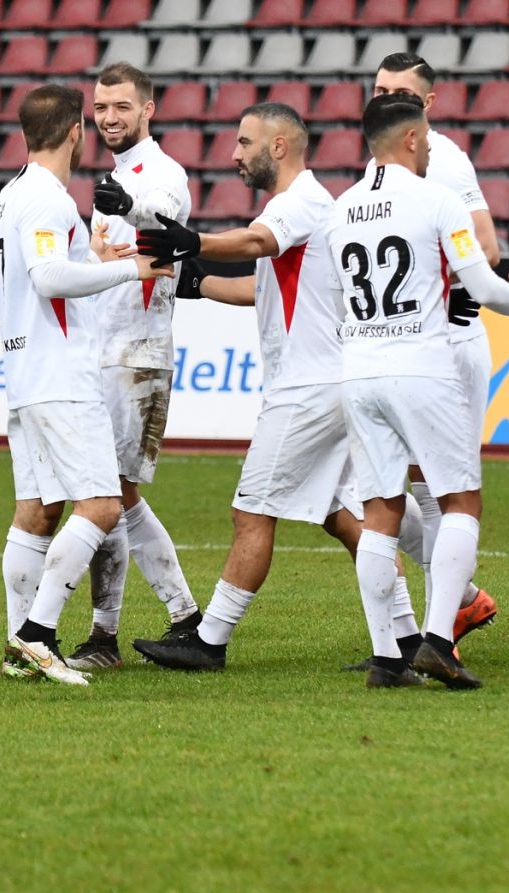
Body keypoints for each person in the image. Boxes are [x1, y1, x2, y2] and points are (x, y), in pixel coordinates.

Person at [131, 103, 421, 674]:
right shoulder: (302, 208)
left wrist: (192, 243)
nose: (234, 155)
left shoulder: (300, 204)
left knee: (251, 510)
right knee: (345, 516)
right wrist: (196, 282)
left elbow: (256, 244)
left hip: (308, 388)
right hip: (330, 381)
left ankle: (208, 639)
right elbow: (257, 290)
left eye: (244, 143)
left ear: (279, 146)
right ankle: (407, 640)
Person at [328, 93, 509, 688]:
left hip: (360, 368)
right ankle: (439, 642)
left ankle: (385, 660)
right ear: (409, 138)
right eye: (424, 138)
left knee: (378, 513)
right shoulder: (436, 199)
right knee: (460, 501)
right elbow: (480, 283)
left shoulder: (340, 209)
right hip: (421, 367)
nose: (428, 146)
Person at [0, 83, 171, 685]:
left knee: (36, 512)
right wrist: (130, 267)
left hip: (25, 373)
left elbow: (39, 272)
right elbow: (46, 279)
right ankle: (38, 634)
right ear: (75, 132)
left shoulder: (9, 196)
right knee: (100, 504)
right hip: (60, 376)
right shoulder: (47, 197)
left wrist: (89, 257)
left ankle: (19, 647)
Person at [64, 61, 202, 670]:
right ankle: (184, 616)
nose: (109, 117)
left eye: (121, 106)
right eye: (101, 107)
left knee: (110, 494)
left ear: (149, 109)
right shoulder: (111, 179)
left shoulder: (162, 174)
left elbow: (167, 223)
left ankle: (104, 637)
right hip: (104, 352)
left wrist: (132, 206)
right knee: (114, 493)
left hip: (140, 356)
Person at [364, 53, 501, 657]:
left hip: (449, 346)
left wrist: (455, 293)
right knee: (410, 488)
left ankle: (439, 627)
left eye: (401, 91)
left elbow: (487, 248)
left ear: (429, 105)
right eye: (379, 88)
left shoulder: (442, 160)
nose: (387, 95)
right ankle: (445, 613)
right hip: (406, 349)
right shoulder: (382, 159)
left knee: (438, 487)